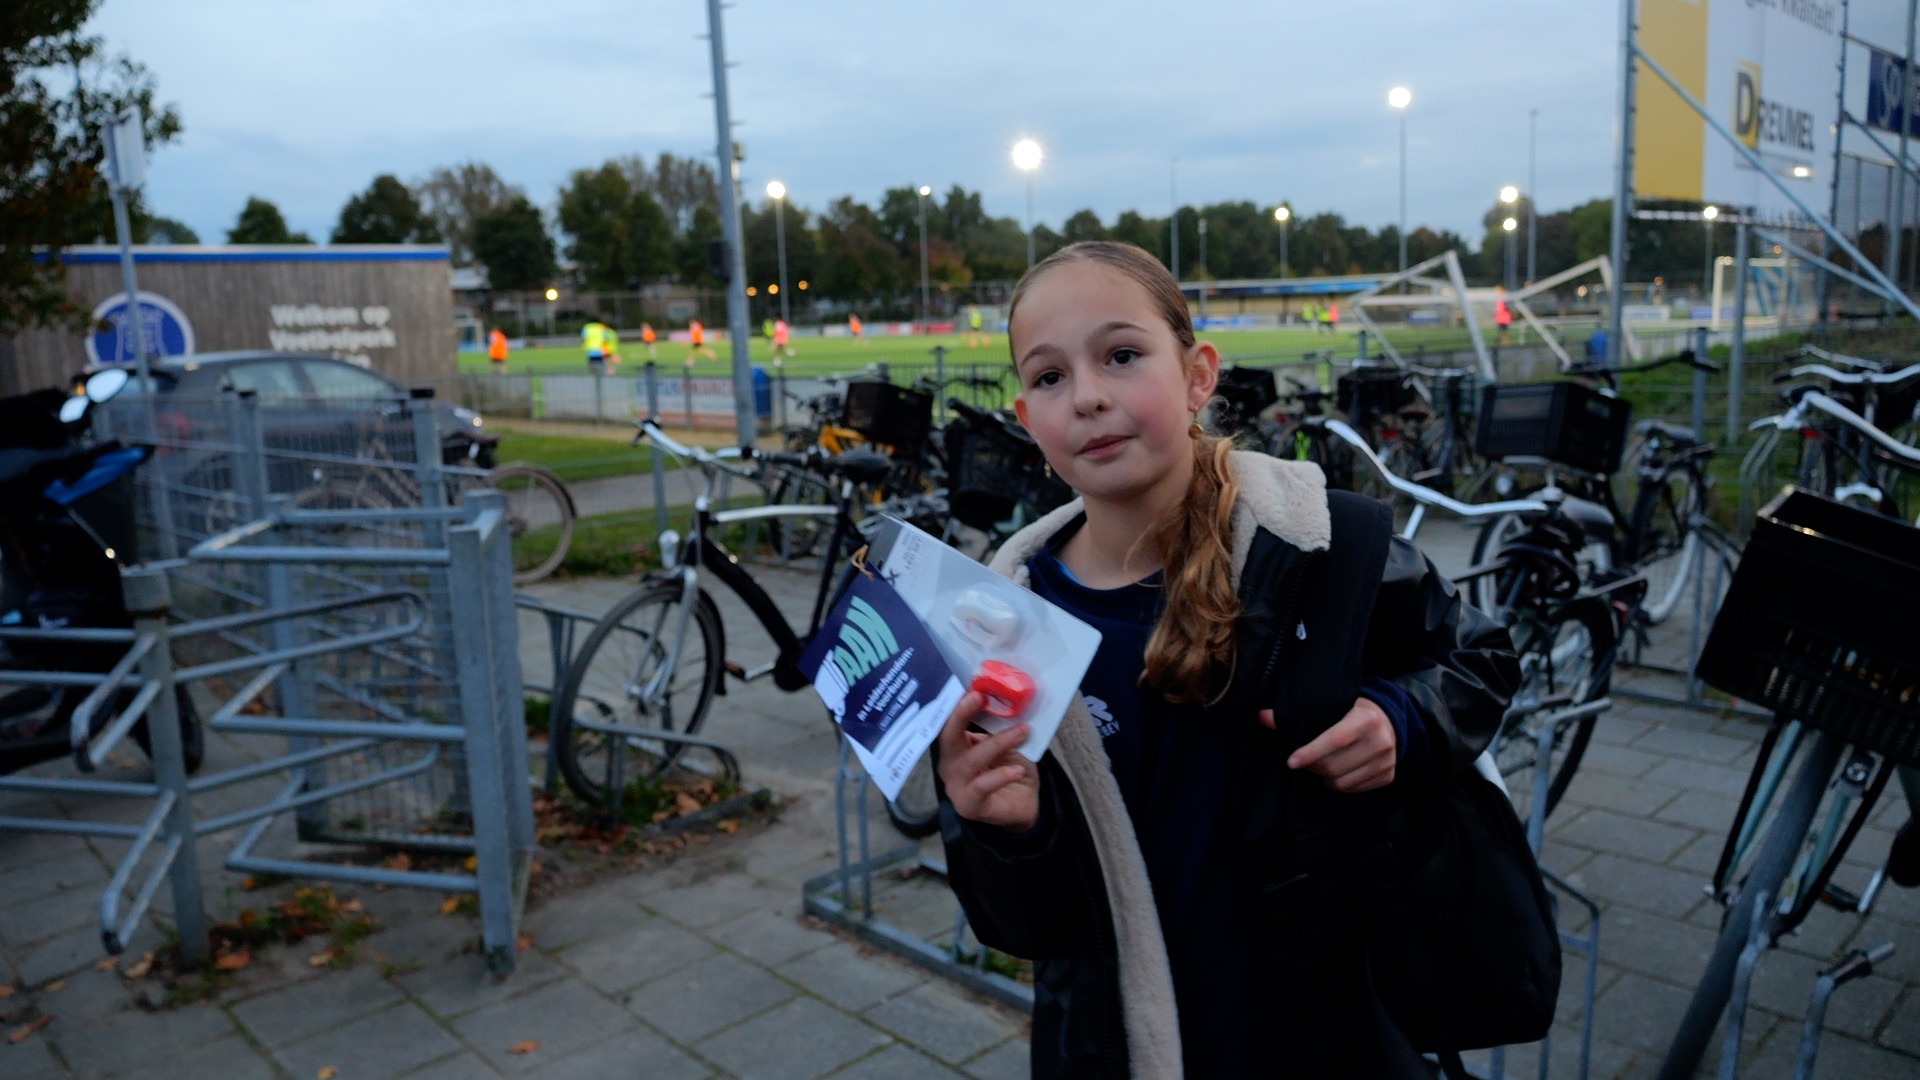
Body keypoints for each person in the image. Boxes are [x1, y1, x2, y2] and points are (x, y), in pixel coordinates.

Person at [934, 240, 1517, 1078]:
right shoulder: (1003, 618)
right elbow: (1030, 928)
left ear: (1198, 375)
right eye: (1050, 377)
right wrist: (1001, 829)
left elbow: (1480, 659)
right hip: (1114, 1048)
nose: (1089, 397)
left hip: (1324, 1039)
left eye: (1123, 356)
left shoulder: (1320, 547)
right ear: (1027, 420)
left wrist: (1403, 720)